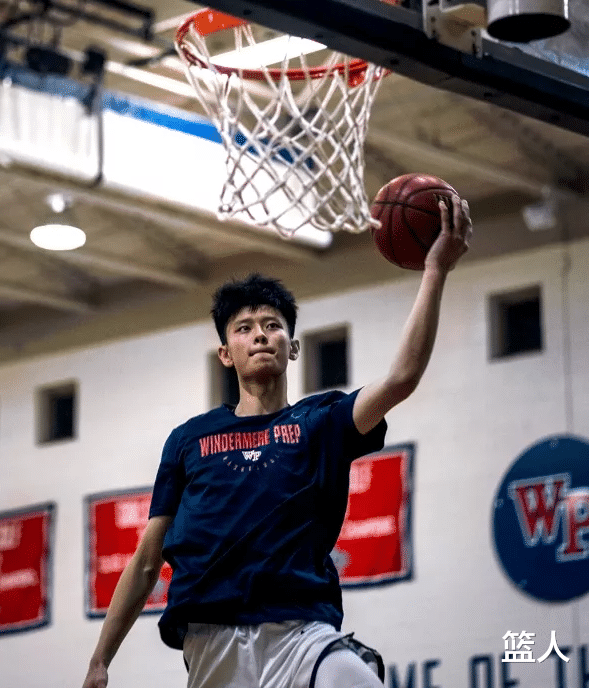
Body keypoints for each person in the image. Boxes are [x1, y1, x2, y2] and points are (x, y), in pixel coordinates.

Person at [83, 195, 472, 688]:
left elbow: (402, 377)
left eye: (272, 326)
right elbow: (144, 563)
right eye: (244, 329)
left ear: (292, 347)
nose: (260, 336)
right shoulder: (188, 440)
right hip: (212, 642)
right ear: (226, 353)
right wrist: (101, 658)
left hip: (301, 632)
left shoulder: (321, 422)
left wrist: (434, 271)